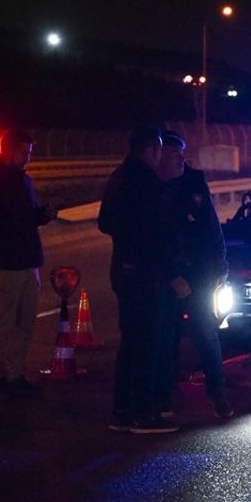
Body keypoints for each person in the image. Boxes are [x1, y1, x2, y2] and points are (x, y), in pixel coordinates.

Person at [98, 126, 177, 434]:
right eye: (158, 151)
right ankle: (145, 414)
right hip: (146, 274)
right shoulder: (147, 182)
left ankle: (122, 410)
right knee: (147, 344)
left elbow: (105, 222)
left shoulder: (118, 177)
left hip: (123, 268)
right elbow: (157, 234)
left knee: (130, 342)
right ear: (149, 151)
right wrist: (168, 271)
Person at [155, 131, 233, 418]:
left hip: (200, 274)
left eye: (182, 154)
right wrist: (171, 274)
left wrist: (220, 267)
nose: (181, 160)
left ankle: (219, 394)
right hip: (169, 277)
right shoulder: (153, 186)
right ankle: (164, 397)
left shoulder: (193, 182)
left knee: (207, 336)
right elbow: (155, 240)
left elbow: (212, 228)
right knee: (166, 338)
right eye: (175, 154)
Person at [0, 129, 57, 398]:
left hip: (27, 261)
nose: (27, 158)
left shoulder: (24, 181)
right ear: (8, 151)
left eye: (30, 153)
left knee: (25, 322)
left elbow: (27, 217)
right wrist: (23, 221)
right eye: (23, 152)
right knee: (3, 321)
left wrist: (42, 215)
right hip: (6, 262)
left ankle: (16, 373)